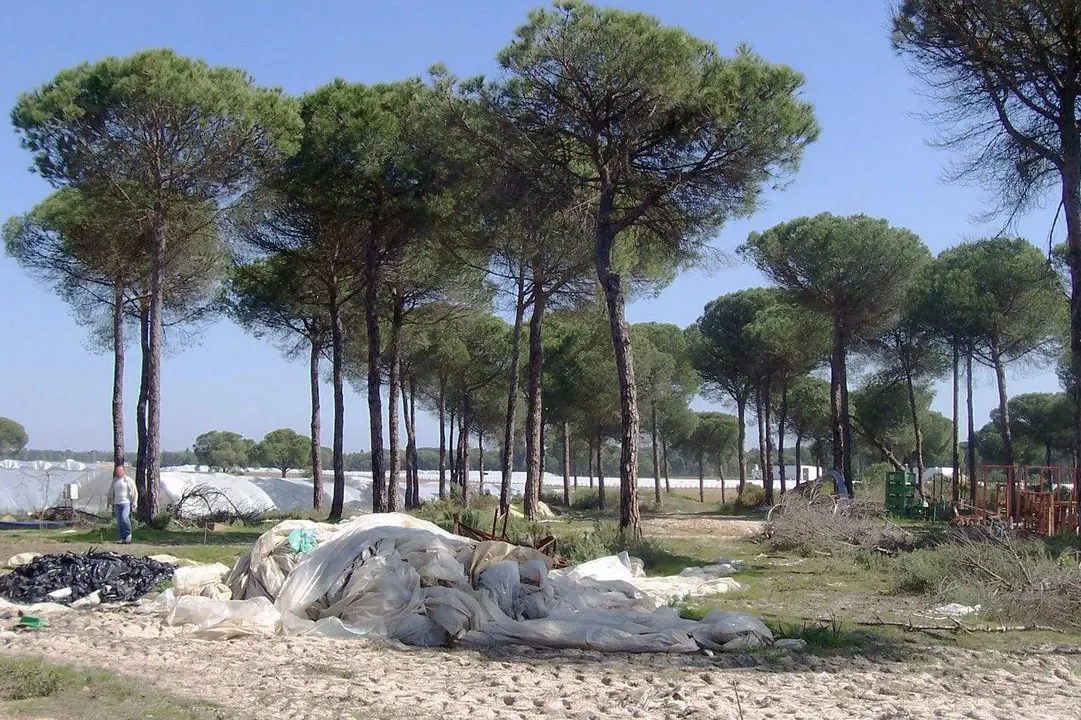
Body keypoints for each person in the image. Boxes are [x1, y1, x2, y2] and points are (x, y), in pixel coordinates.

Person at [108, 463, 138, 544]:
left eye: (119, 471)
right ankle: (122, 537)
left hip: (126, 502)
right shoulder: (115, 480)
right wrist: (109, 501)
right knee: (120, 521)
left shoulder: (128, 480)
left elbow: (135, 492)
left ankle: (128, 535)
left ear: (124, 471)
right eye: (117, 471)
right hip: (117, 503)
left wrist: (134, 504)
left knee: (125, 518)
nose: (118, 472)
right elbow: (111, 491)